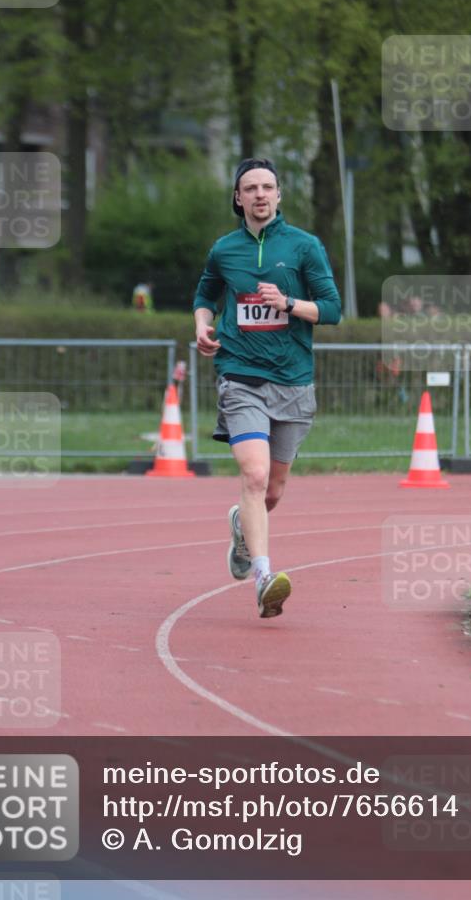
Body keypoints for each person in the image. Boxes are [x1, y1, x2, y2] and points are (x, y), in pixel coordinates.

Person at [193, 158, 341, 619]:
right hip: (240, 377)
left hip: (293, 383)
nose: (260, 194)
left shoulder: (304, 247)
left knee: (272, 491)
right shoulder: (224, 250)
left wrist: (290, 303)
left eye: (268, 187)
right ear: (238, 198)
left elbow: (333, 310)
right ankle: (263, 577)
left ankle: (242, 528)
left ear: (279, 195)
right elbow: (205, 295)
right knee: (253, 476)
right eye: (250, 188)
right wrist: (202, 326)